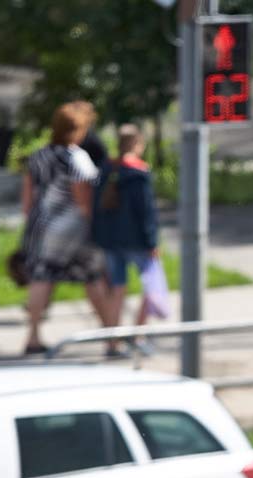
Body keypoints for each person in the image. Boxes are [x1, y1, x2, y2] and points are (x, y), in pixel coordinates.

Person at [20, 101, 111, 355]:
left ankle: (32, 337)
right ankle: (111, 337)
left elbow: (27, 202)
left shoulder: (38, 156)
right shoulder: (76, 158)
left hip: (41, 225)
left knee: (41, 277)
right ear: (76, 130)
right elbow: (83, 200)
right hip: (72, 227)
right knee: (93, 277)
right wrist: (96, 226)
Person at [92, 124, 165, 356]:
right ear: (137, 144)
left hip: (111, 240)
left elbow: (97, 208)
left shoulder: (107, 169)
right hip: (137, 240)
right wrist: (152, 242)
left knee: (117, 289)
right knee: (150, 286)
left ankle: (112, 342)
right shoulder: (139, 173)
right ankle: (138, 334)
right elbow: (146, 213)